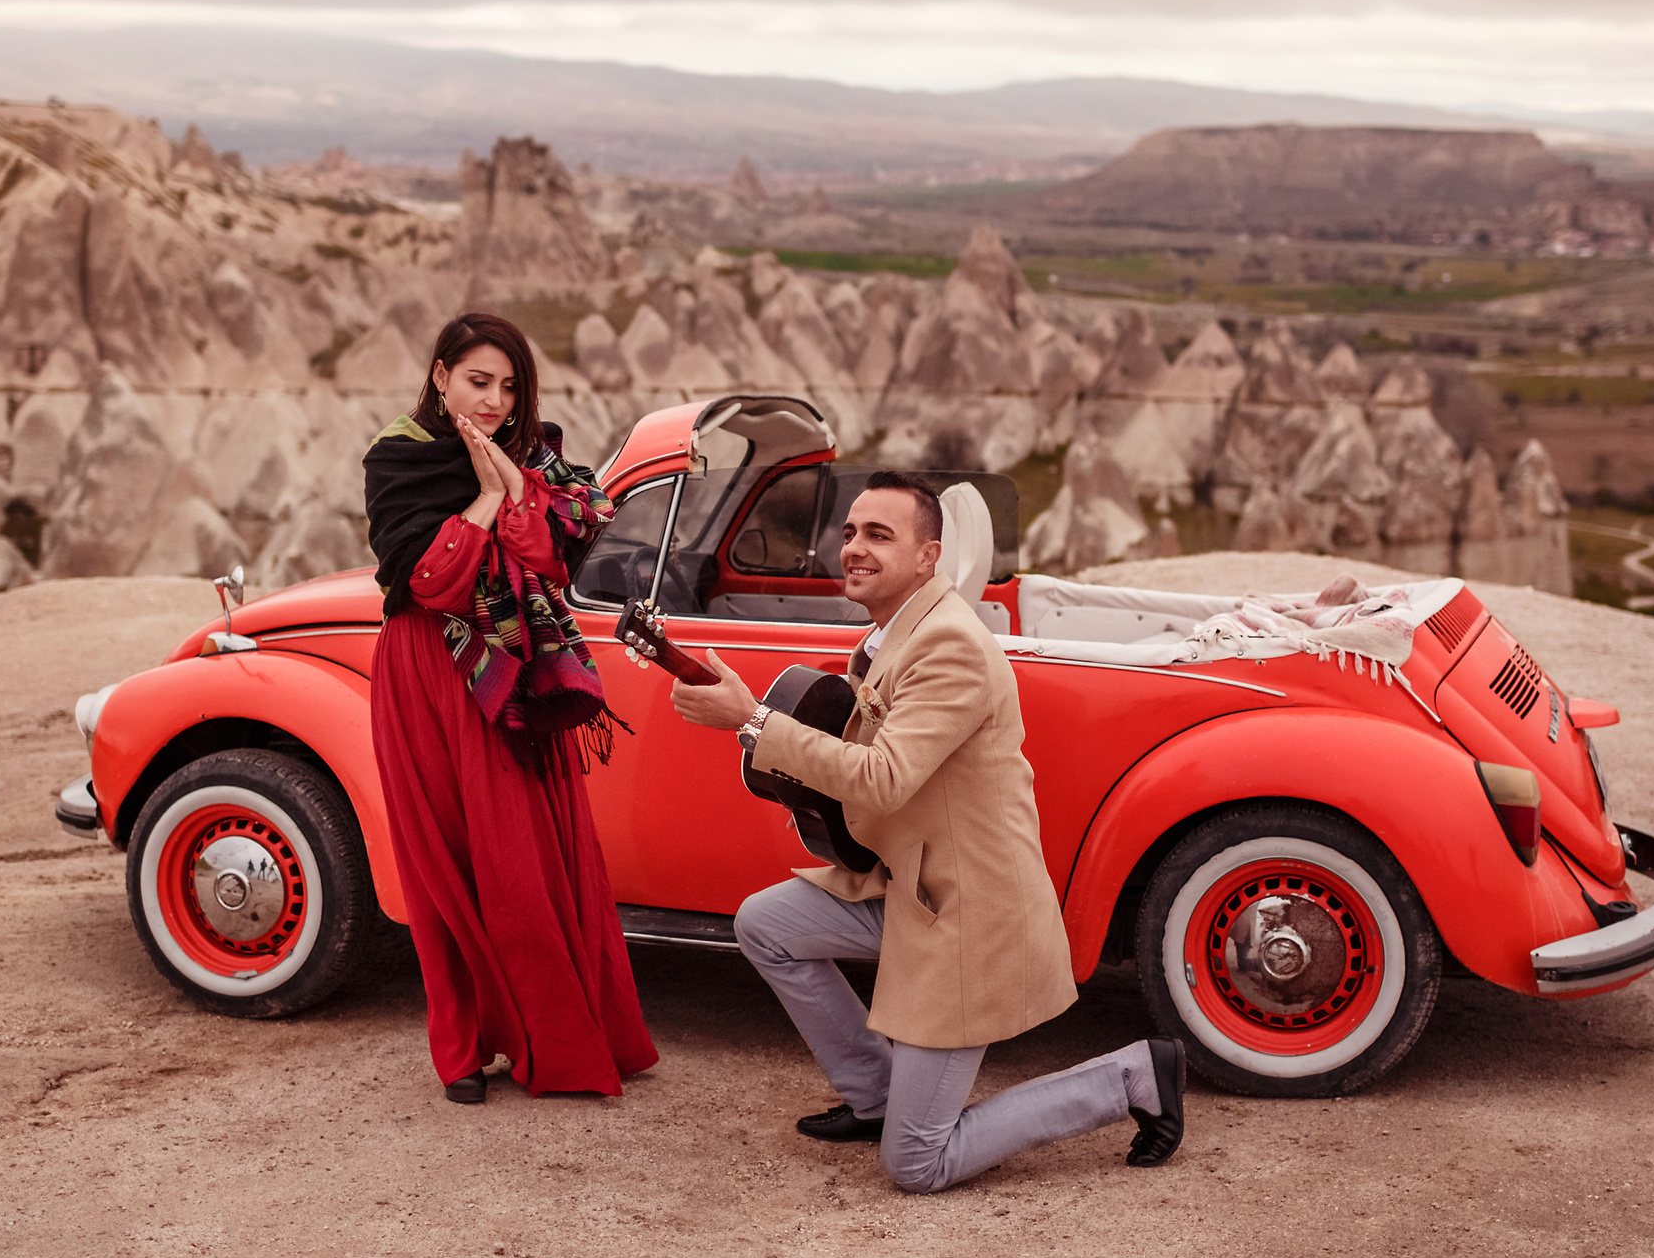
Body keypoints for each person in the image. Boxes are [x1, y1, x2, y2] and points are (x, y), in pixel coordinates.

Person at [668, 471, 1185, 1192]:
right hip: (911, 886)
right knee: (767, 924)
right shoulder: (890, 634)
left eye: (879, 535)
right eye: (850, 531)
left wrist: (752, 720)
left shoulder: (950, 646)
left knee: (916, 1163)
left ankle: (1131, 1077)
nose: (855, 547)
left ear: (927, 556)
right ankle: (877, 1096)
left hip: (968, 916)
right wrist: (749, 717)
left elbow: (883, 777)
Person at [362, 311, 657, 1104]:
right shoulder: (399, 459)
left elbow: (563, 548)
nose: (493, 400)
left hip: (513, 669)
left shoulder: (536, 454)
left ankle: (558, 1038)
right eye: (477, 381)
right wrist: (491, 496)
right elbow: (429, 582)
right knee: (444, 862)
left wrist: (516, 483)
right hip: (429, 671)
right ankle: (461, 1049)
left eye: (508, 386)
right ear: (440, 376)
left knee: (527, 862)